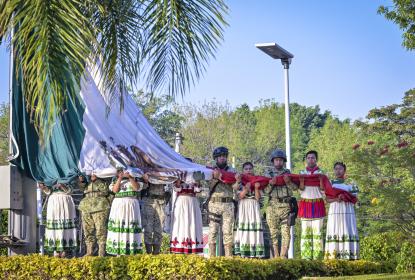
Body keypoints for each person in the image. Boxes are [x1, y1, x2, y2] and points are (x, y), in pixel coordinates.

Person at [264, 149, 298, 258]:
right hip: (272, 206)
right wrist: (270, 184)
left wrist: (288, 182)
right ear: (273, 161)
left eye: (280, 160)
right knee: (273, 233)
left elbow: (295, 188)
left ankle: (283, 256)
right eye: (276, 160)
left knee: (286, 233)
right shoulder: (268, 174)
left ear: (284, 161)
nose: (278, 162)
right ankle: (275, 257)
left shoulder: (288, 173)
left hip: (285, 206)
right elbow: (264, 191)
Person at [325, 162, 359, 260]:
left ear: (344, 170)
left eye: (340, 169)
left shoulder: (350, 183)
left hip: (347, 210)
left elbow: (355, 198)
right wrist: (337, 199)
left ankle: (349, 256)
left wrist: (345, 197)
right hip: (335, 210)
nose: (338, 171)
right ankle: (333, 256)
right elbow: (327, 199)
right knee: (335, 229)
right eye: (336, 169)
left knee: (347, 229)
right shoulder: (330, 183)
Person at [208, 146, 238, 257]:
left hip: (228, 204)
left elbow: (235, 187)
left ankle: (228, 257)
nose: (222, 158)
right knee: (213, 231)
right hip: (214, 203)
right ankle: (212, 257)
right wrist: (215, 177)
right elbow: (208, 185)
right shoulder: (210, 170)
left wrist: (237, 181)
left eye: (224, 156)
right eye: (220, 157)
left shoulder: (232, 171)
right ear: (216, 158)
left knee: (228, 232)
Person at [106, 168, 144, 256]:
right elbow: (115, 190)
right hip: (119, 205)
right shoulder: (115, 180)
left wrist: (130, 177)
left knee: (130, 225)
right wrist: (120, 178)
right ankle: (118, 251)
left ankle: (130, 251)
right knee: (119, 225)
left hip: (131, 205)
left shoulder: (136, 178)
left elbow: (137, 188)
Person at [298, 150, 326, 260]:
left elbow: (324, 190)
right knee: (305, 232)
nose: (310, 159)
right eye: (308, 157)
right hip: (305, 204)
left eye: (313, 158)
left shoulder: (322, 173)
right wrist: (301, 181)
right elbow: (300, 191)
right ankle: (306, 259)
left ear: (316, 160)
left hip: (318, 203)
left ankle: (318, 259)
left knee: (317, 232)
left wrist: (320, 180)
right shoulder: (301, 173)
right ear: (306, 160)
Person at [233, 162, 264, 258]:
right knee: (243, 229)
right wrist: (246, 189)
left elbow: (258, 198)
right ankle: (243, 254)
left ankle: (255, 253)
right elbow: (238, 197)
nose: (248, 170)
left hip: (254, 206)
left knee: (254, 228)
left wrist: (256, 188)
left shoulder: (257, 180)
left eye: (250, 168)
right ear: (243, 170)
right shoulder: (239, 182)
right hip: (243, 206)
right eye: (246, 169)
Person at [40, 182, 77, 257]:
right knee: (54, 224)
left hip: (65, 200)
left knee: (64, 223)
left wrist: (62, 186)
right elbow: (48, 191)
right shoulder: (51, 176)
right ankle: (55, 252)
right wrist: (44, 187)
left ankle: (64, 251)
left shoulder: (68, 175)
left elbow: (70, 191)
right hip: (53, 200)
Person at [78, 173, 111, 256]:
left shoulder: (104, 179)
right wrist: (82, 181)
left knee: (101, 229)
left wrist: (96, 180)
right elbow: (81, 189)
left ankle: (101, 251)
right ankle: (89, 251)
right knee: (87, 229)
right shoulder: (87, 178)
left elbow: (106, 190)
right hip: (86, 206)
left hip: (100, 206)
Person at [170, 176, 203, 254]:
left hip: (192, 202)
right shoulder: (178, 172)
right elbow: (176, 189)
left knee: (192, 224)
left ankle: (192, 248)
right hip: (181, 201)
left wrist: (197, 181)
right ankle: (179, 248)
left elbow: (198, 190)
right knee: (180, 224)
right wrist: (178, 180)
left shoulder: (194, 172)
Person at [141, 175, 170, 254]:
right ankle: (149, 253)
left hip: (161, 201)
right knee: (148, 228)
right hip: (149, 201)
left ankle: (156, 253)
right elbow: (143, 184)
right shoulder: (147, 169)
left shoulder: (164, 170)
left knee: (159, 228)